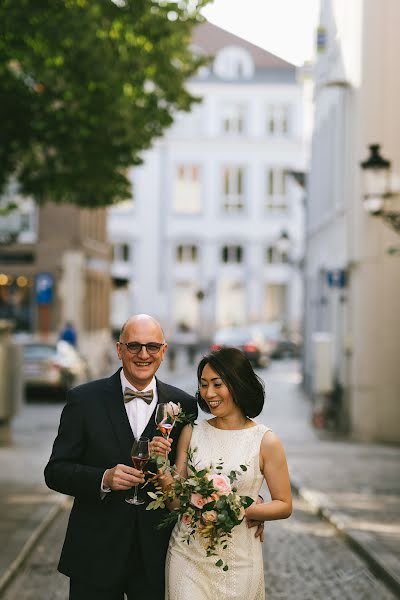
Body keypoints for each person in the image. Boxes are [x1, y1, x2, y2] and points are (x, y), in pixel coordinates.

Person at [44, 314, 197, 600]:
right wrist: (103, 478)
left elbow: (194, 471)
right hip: (95, 555)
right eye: (134, 346)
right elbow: (55, 471)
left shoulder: (184, 405)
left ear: (163, 351)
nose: (143, 354)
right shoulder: (83, 399)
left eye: (152, 347)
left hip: (158, 557)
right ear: (119, 350)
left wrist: (246, 505)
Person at [155, 347, 292, 600]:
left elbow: (284, 505)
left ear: (238, 384)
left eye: (217, 384)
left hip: (239, 560)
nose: (208, 393)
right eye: (204, 385)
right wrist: (163, 472)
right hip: (187, 556)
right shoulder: (192, 431)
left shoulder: (266, 441)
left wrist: (236, 508)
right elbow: (175, 504)